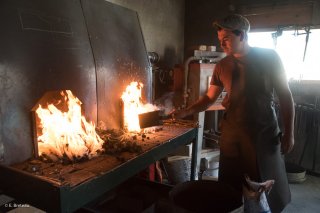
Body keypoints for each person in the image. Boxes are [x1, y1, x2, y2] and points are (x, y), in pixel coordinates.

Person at [171, 14, 294, 212]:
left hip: (262, 133)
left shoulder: (269, 58)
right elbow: (209, 98)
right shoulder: (222, 65)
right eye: (220, 40)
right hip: (232, 134)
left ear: (242, 36)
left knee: (265, 186)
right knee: (230, 187)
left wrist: (290, 133)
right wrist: (186, 111)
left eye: (226, 39)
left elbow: (286, 96)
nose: (222, 45)